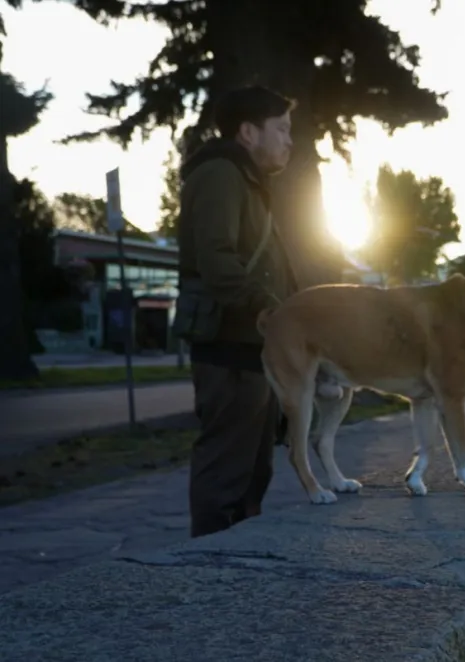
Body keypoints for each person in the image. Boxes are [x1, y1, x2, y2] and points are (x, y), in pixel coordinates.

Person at [174, 85, 298, 538]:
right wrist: (268, 307)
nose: (289, 141)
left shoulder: (244, 179)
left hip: (251, 345)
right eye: (281, 129)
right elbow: (217, 259)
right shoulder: (221, 174)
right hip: (228, 345)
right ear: (248, 132)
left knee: (252, 470)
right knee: (227, 466)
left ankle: (240, 566)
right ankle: (212, 569)